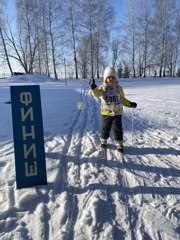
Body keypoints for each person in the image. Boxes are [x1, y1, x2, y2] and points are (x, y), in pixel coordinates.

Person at [90, 66, 137, 152]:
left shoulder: (119, 88)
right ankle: (103, 140)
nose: (111, 79)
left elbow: (122, 99)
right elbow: (97, 94)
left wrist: (130, 104)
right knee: (105, 127)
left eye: (113, 77)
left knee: (117, 128)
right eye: (109, 77)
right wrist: (93, 87)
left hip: (117, 112)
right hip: (106, 112)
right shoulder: (103, 88)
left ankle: (119, 143)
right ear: (105, 79)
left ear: (116, 78)